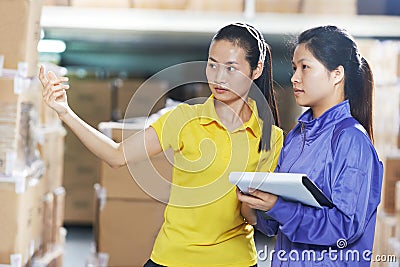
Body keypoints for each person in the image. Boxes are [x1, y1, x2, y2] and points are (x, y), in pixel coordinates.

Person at [40, 22, 284, 267]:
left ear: (256, 69)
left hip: (234, 260)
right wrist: (65, 112)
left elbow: (251, 217)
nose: (219, 77)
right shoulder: (184, 119)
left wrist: (261, 206)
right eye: (212, 65)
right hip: (172, 258)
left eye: (231, 68)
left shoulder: (271, 137)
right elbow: (116, 156)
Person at [237, 25, 383, 266]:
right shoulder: (296, 138)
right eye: (295, 68)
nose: (294, 77)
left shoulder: (351, 140)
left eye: (305, 67)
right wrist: (254, 207)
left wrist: (278, 206)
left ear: (337, 74)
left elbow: (344, 229)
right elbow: (276, 226)